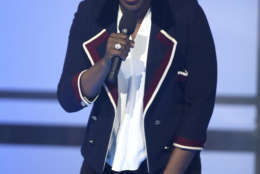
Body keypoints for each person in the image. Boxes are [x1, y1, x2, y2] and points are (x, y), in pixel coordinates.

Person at [57, 0, 217, 173]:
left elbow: (200, 104)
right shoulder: (92, 11)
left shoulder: (185, 13)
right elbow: (68, 98)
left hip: (164, 165)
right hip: (101, 166)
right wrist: (105, 63)